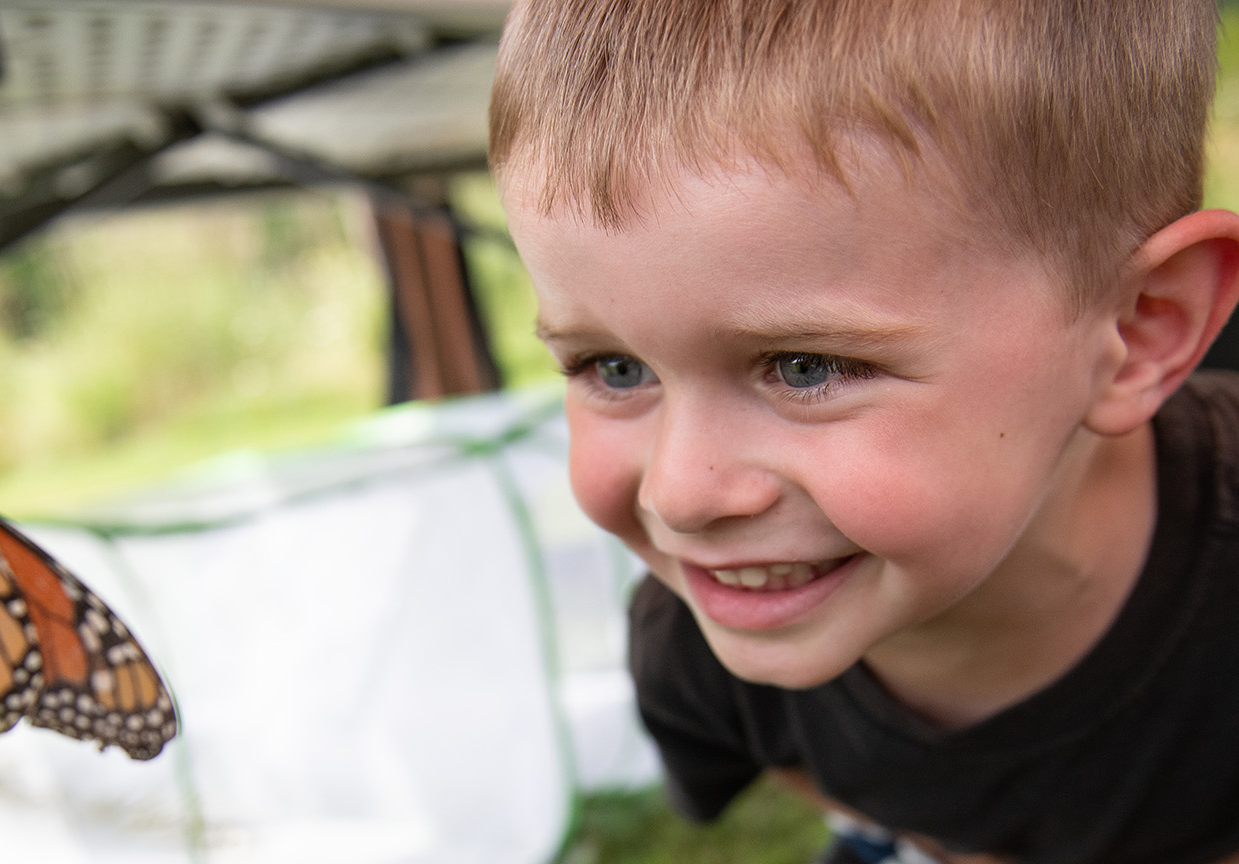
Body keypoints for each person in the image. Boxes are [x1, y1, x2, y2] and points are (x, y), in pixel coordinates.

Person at [487, 1, 1239, 862]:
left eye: (806, 366)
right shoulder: (695, 641)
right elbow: (784, 762)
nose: (680, 494)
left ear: (1140, 328)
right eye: (614, 370)